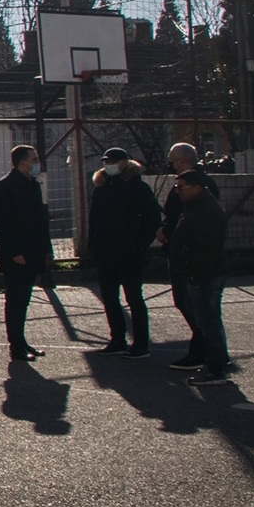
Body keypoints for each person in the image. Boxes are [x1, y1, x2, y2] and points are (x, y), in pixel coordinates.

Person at [86, 146, 161, 356]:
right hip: (105, 251)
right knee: (109, 296)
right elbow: (94, 219)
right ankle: (117, 339)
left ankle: (141, 343)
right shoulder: (101, 187)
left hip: (130, 252)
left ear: (124, 163)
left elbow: (153, 218)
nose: (108, 166)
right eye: (106, 162)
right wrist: (93, 244)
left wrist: (140, 244)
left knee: (133, 297)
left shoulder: (137, 187)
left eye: (113, 162)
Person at [159, 142, 221, 371]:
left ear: (183, 160)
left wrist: (171, 233)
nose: (171, 164)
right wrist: (166, 228)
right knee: (185, 303)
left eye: (173, 160)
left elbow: (194, 221)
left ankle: (206, 353)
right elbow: (174, 213)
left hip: (189, 256)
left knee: (197, 306)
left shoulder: (200, 185)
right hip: (178, 251)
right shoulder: (184, 184)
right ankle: (201, 349)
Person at [167, 169, 233, 386]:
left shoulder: (206, 209)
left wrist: (195, 274)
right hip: (201, 272)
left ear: (196, 187)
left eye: (181, 187)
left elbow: (208, 247)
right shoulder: (196, 205)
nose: (178, 192)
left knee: (209, 319)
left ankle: (216, 368)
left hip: (207, 273)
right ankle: (213, 363)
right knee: (205, 319)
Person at [0, 145, 53, 361]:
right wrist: (14, 251)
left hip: (34, 250)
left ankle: (22, 340)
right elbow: (4, 223)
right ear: (21, 161)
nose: (37, 163)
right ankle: (15, 345)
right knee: (15, 298)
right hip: (16, 253)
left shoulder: (32, 185)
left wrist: (47, 248)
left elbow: (41, 220)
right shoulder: (5, 186)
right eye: (34, 159)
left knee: (24, 297)